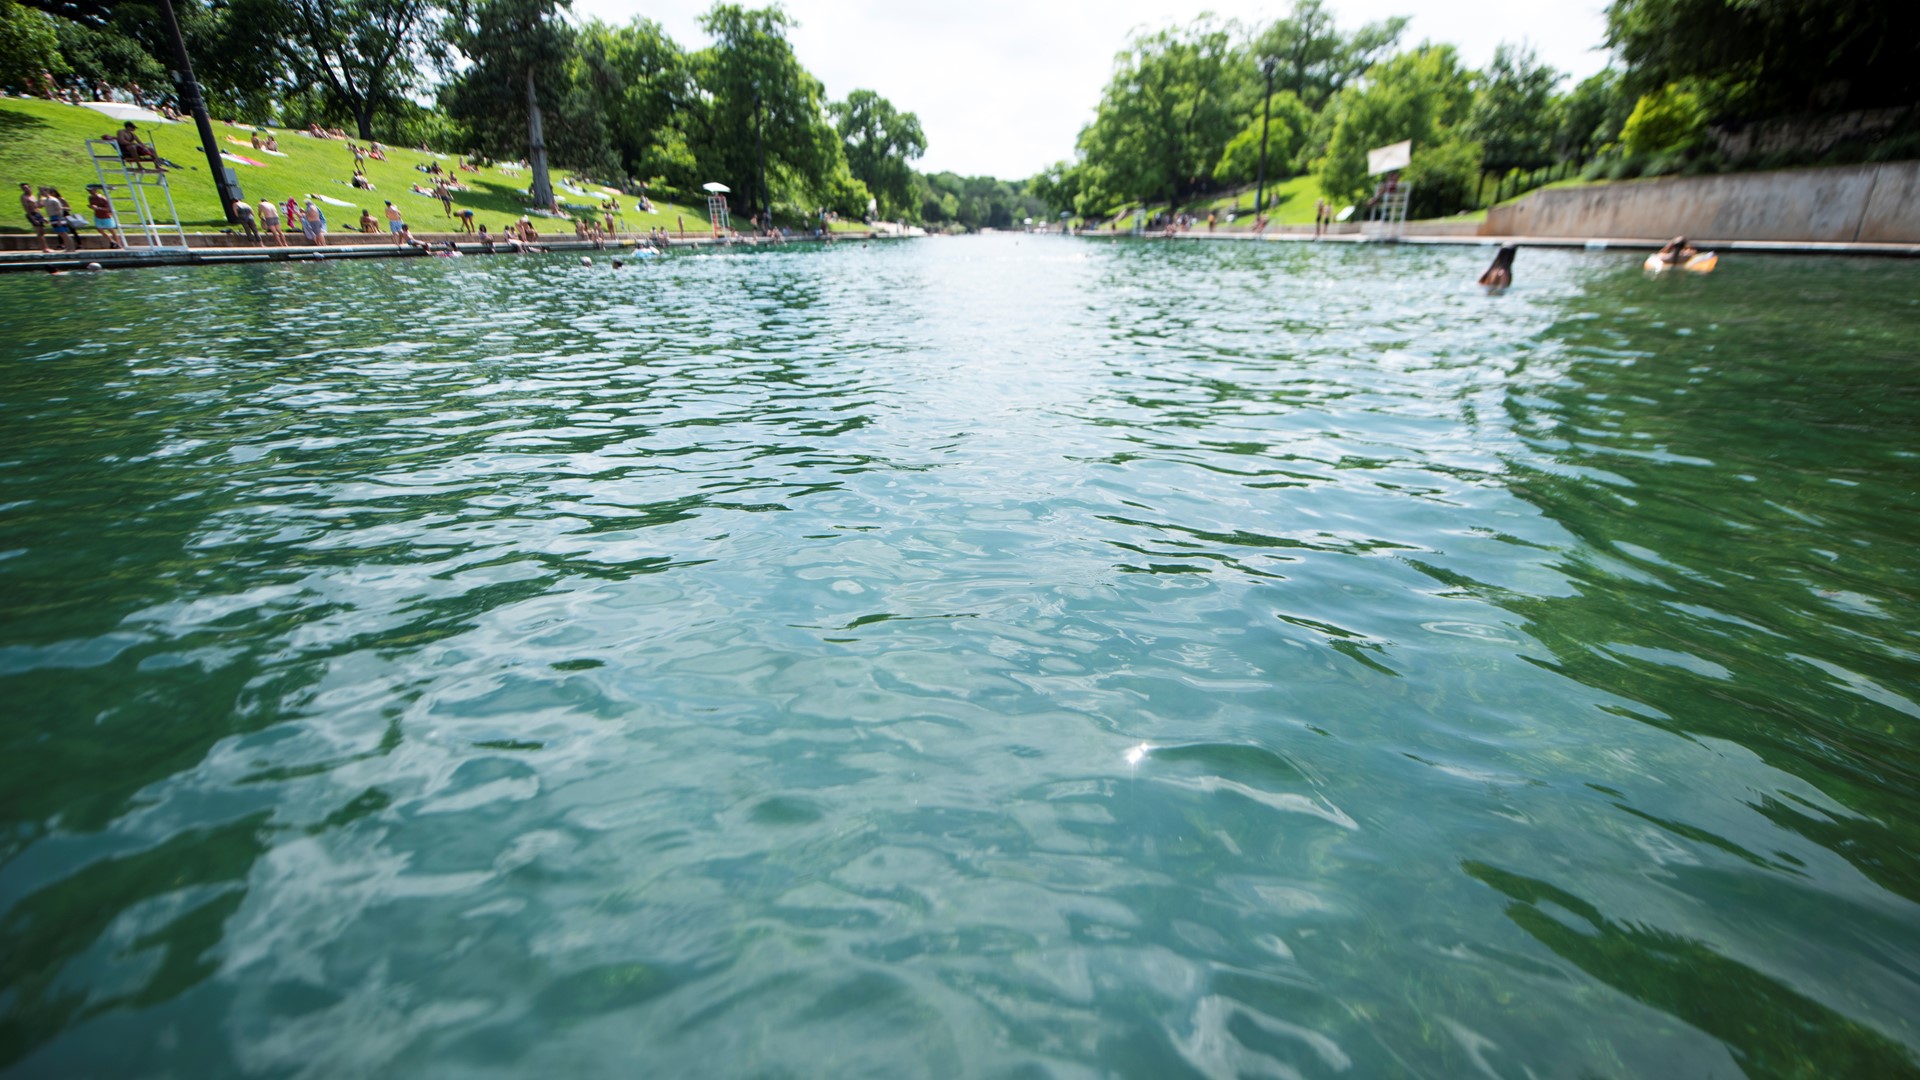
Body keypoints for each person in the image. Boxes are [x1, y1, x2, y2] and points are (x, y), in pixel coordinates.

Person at [20, 182, 52, 253]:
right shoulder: (24, 197)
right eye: (23, 188)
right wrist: (32, 217)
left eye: (26, 187)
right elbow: (26, 208)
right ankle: (44, 248)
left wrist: (42, 217)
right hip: (32, 214)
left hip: (37, 214)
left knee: (42, 232)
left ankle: (46, 247)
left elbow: (37, 207)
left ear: (30, 187)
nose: (25, 189)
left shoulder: (32, 196)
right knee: (39, 232)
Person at [42, 187, 76, 253]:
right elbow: (39, 205)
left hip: (57, 217)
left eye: (43, 191)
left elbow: (59, 210)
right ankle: (67, 248)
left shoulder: (54, 200)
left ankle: (71, 248)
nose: (42, 193)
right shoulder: (46, 200)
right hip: (52, 217)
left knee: (64, 233)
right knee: (61, 234)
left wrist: (59, 220)